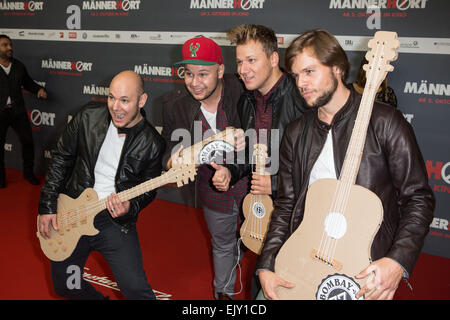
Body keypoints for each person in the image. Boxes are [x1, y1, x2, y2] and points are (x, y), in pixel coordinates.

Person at [256, 29, 435, 300]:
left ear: (337, 68)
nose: (301, 83)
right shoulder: (295, 132)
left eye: (310, 72)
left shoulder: (386, 123)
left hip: (362, 266)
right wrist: (267, 264)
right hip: (302, 256)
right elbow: (286, 204)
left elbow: (418, 199)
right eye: (296, 76)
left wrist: (398, 261)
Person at [38, 70, 165, 300]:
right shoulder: (87, 116)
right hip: (73, 211)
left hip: (113, 222)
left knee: (136, 290)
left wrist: (131, 207)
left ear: (142, 100)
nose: (116, 107)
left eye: (125, 100)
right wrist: (47, 206)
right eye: (111, 97)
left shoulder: (153, 143)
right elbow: (61, 158)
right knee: (66, 285)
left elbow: (149, 189)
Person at [219, 24, 307, 298]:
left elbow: (319, 165)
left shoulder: (302, 98)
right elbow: (249, 154)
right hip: (269, 212)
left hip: (301, 216)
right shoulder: (248, 99)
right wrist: (230, 172)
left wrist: (277, 184)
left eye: (251, 60)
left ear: (273, 59)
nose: (243, 69)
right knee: (264, 279)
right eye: (240, 61)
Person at [161, 35, 248, 300]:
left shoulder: (244, 91)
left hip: (254, 187)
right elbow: (170, 148)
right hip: (213, 194)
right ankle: (224, 294)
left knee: (263, 242)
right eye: (188, 74)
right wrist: (175, 160)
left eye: (203, 74)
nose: (194, 83)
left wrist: (250, 139)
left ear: (221, 71)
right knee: (222, 244)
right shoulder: (175, 106)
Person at [0, 34, 47, 188]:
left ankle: (28, 172)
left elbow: (28, 83)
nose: (9, 48)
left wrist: (39, 89)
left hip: (17, 111)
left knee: (27, 141)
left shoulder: (18, 66)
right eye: (5, 45)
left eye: (10, 45)